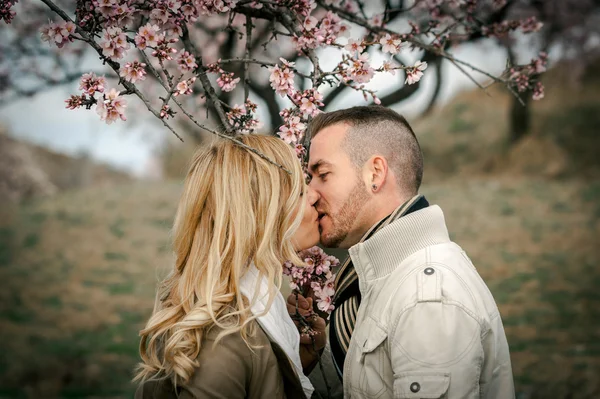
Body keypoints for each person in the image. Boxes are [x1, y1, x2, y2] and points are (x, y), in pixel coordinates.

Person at [291, 106, 514, 398]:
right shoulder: (382, 277)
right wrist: (312, 360)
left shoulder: (427, 298)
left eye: (323, 173)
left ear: (375, 173)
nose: (313, 192)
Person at [134, 134, 324, 399]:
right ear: (261, 211)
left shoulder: (260, 304)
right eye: (300, 191)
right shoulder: (221, 340)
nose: (315, 195)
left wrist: (295, 364)